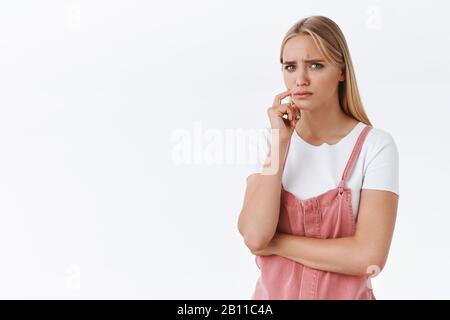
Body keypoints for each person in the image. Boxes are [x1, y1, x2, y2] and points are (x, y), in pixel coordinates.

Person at [237, 15, 399, 300]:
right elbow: (254, 236)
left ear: (341, 71)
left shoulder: (375, 146)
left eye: (315, 65)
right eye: (290, 67)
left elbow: (368, 257)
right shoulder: (269, 142)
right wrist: (281, 142)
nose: (300, 79)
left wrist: (278, 244)